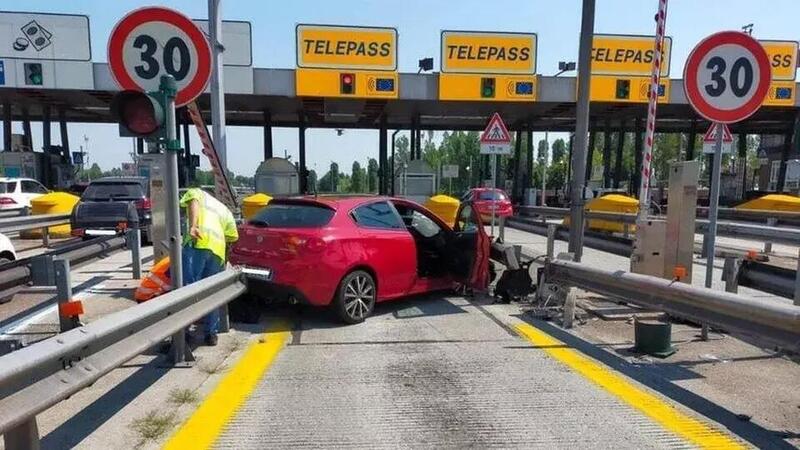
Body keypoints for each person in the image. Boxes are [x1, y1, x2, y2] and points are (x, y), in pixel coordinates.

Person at [181, 187, 238, 346]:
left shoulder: (197, 193)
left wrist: (193, 226)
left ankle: (184, 332)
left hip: (197, 244)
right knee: (212, 293)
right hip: (218, 252)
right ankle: (211, 334)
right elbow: (233, 235)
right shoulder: (224, 209)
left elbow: (193, 202)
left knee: (188, 291)